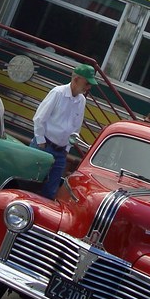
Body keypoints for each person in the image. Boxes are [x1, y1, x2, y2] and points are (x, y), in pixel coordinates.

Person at [33, 63, 98, 199]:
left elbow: (76, 127)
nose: (88, 87)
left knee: (50, 192)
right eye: (87, 83)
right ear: (76, 79)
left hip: (60, 151)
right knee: (30, 182)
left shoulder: (81, 100)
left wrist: (67, 148)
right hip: (45, 145)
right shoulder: (57, 92)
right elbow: (39, 118)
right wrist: (40, 141)